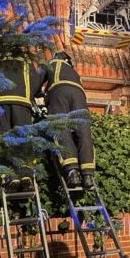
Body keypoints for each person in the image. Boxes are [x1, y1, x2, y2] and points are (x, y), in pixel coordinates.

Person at [40, 50, 95, 191]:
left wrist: (39, 94)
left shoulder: (52, 63)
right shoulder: (74, 72)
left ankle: (72, 173)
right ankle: (88, 175)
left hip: (59, 93)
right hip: (79, 96)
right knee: (83, 132)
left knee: (61, 129)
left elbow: (36, 81)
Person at [0, 57, 44, 135]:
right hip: (21, 101)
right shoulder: (25, 61)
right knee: (23, 138)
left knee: (1, 139)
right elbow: (35, 81)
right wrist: (37, 93)